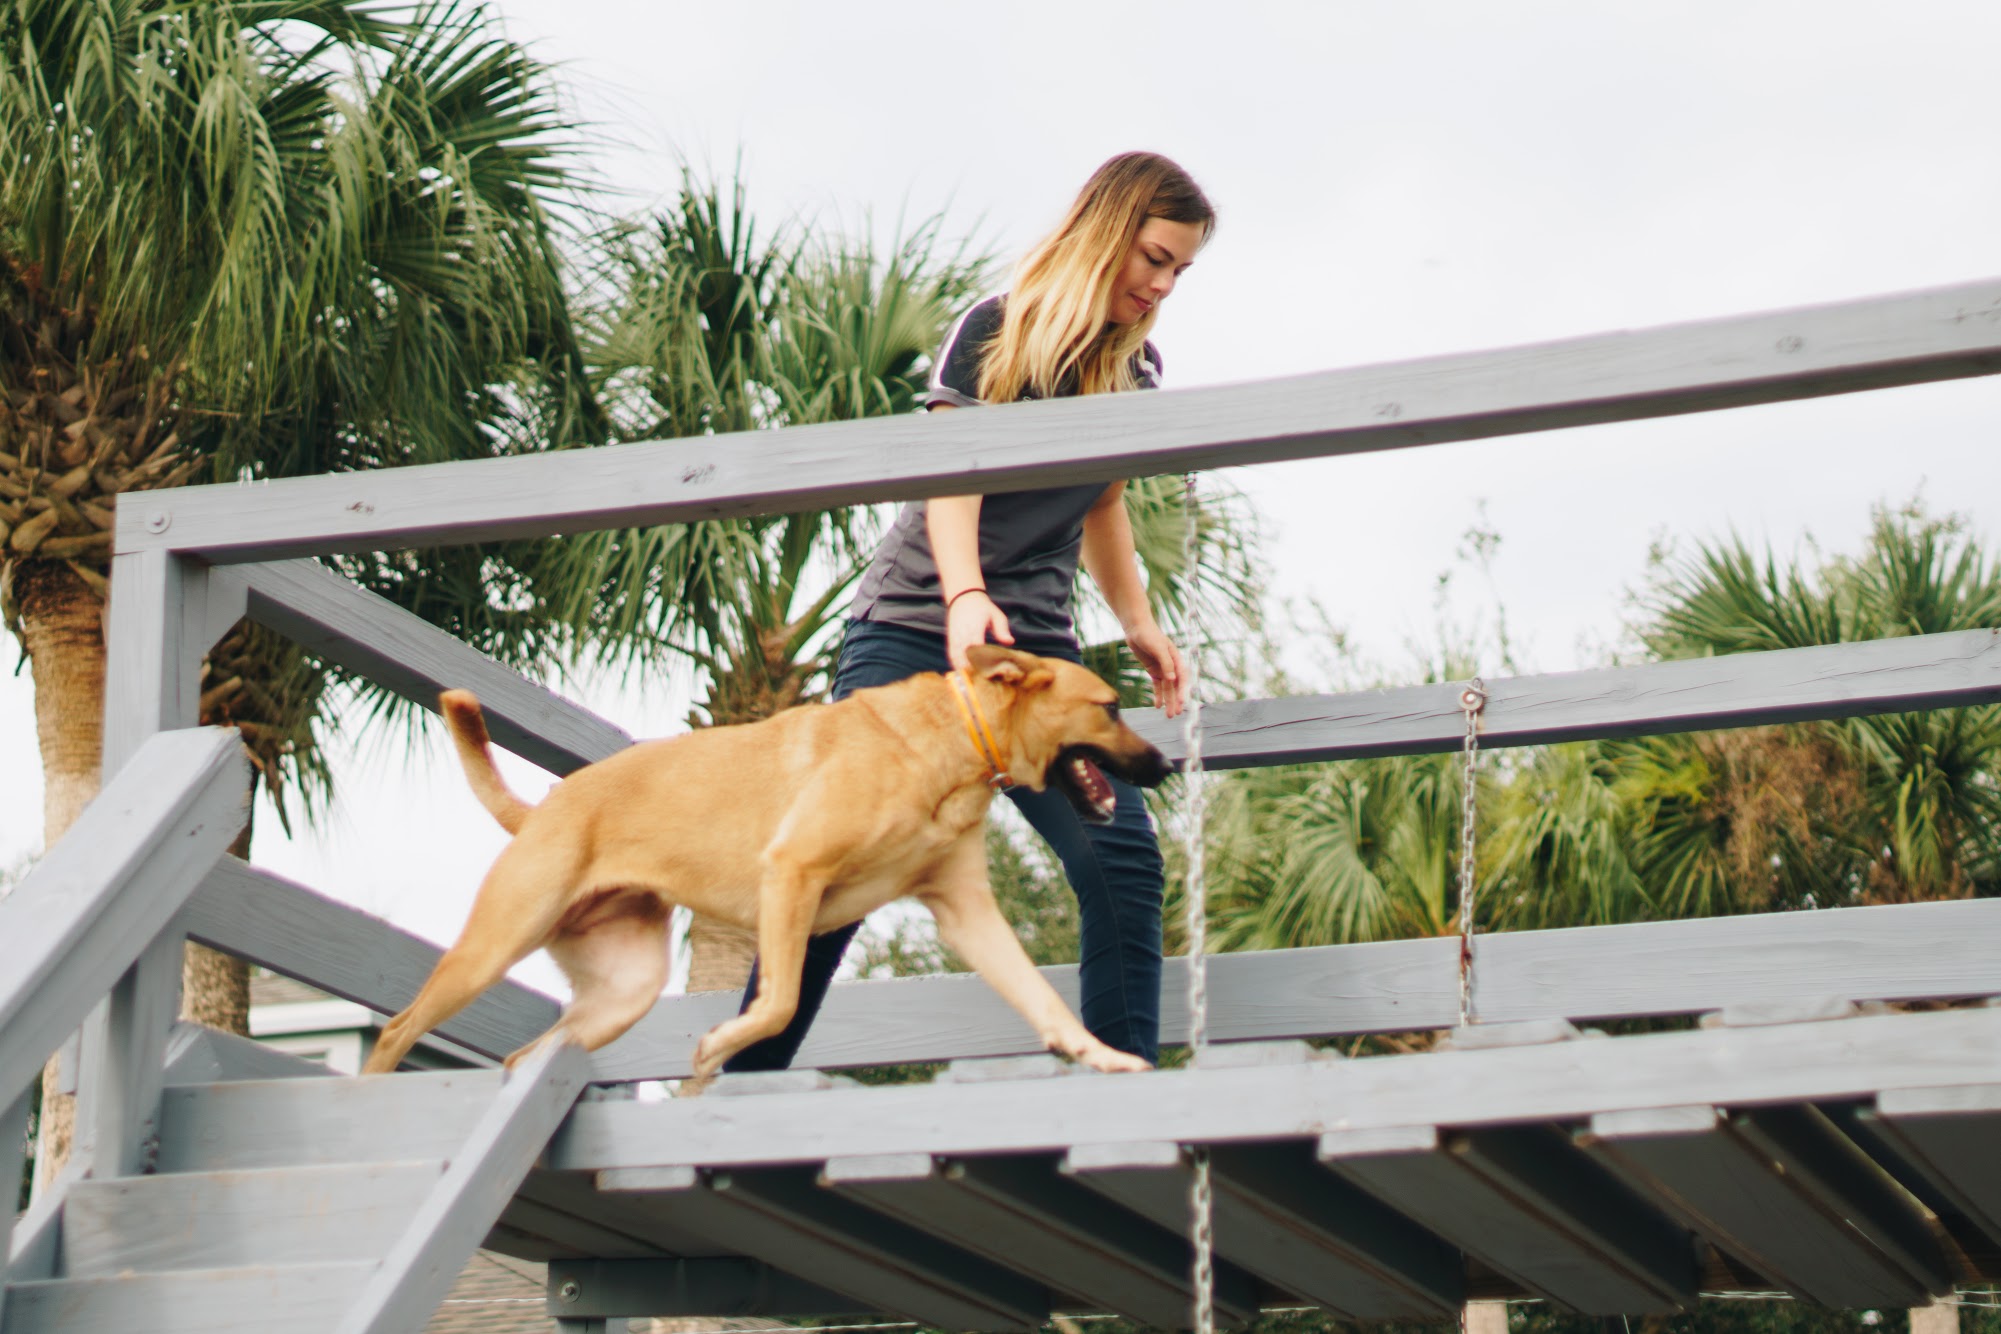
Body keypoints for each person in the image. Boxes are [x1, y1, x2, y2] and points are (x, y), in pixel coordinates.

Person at [724, 150, 1215, 1072]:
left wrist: (1138, 623)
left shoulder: (1137, 369)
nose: (1163, 285)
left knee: (1120, 860)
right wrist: (964, 597)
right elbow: (951, 475)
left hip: (1037, 666)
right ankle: (734, 1092)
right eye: (1153, 258)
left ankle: (1127, 1089)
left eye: (1179, 270)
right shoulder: (995, 330)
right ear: (1104, 234)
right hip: (912, 634)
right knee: (850, 869)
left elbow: (1103, 502)